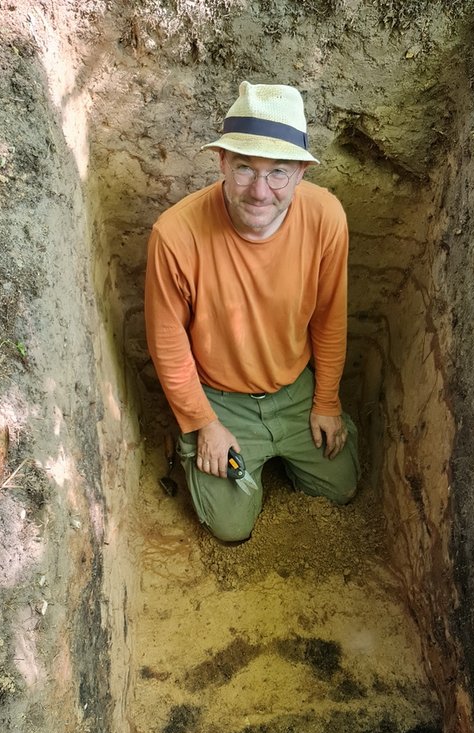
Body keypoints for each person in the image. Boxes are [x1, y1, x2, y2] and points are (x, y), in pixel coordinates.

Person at [145, 80, 359, 542]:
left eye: (279, 171)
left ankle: (285, 446)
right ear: (222, 161)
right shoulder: (175, 235)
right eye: (244, 168)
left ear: (302, 172)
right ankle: (199, 448)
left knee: (341, 490)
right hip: (220, 397)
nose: (260, 191)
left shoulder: (326, 219)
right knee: (231, 528)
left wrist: (326, 401)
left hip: (295, 389)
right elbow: (168, 343)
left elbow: (329, 318)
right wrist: (204, 424)